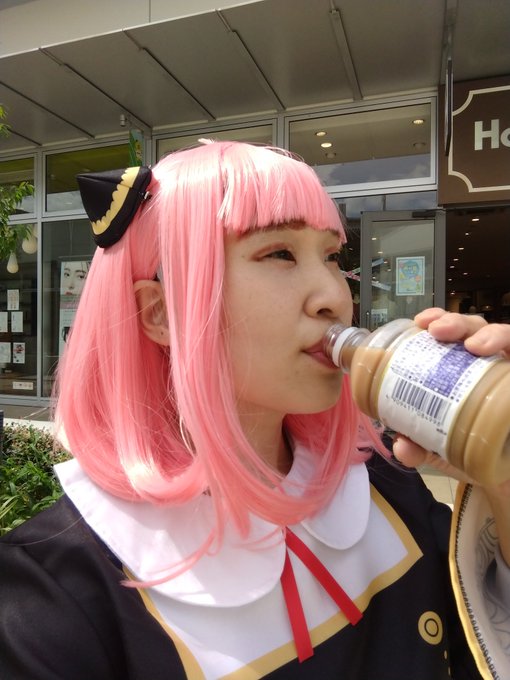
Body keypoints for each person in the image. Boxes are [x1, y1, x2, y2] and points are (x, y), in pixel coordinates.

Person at [0, 141, 509, 680]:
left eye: (332, 256)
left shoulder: (381, 478)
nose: (334, 296)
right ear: (161, 313)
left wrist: (500, 482)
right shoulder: (56, 592)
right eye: (279, 254)